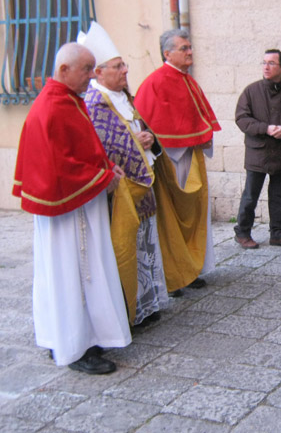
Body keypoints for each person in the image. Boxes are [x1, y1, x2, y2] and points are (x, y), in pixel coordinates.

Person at [12, 43, 131, 374]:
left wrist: (106, 167)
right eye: (86, 69)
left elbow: (85, 147)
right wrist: (101, 177)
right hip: (68, 209)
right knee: (73, 273)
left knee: (72, 272)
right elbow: (59, 165)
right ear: (64, 70)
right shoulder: (53, 107)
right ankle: (76, 346)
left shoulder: (68, 101)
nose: (91, 76)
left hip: (78, 200)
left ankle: (69, 336)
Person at [80, 21, 169, 327]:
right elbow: (101, 146)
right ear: (99, 72)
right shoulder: (94, 104)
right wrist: (136, 140)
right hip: (120, 193)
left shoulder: (124, 97)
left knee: (145, 245)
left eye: (124, 65)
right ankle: (129, 308)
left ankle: (148, 302)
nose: (125, 70)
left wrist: (148, 139)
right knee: (126, 247)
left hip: (142, 185)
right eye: (118, 66)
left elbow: (140, 130)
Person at [134, 29, 219, 294]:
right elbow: (146, 123)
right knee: (171, 218)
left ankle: (192, 267)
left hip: (190, 156)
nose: (190, 52)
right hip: (170, 160)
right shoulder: (155, 82)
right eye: (184, 48)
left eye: (190, 47)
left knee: (194, 213)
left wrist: (201, 137)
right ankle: (174, 274)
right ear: (167, 53)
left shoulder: (188, 80)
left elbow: (198, 116)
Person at [233, 49, 281, 249]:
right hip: (258, 152)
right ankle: (242, 232)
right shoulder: (251, 91)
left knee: (279, 196)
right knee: (251, 195)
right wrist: (265, 128)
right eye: (264, 62)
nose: (266, 67)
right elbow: (242, 119)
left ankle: (278, 233)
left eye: (271, 63)